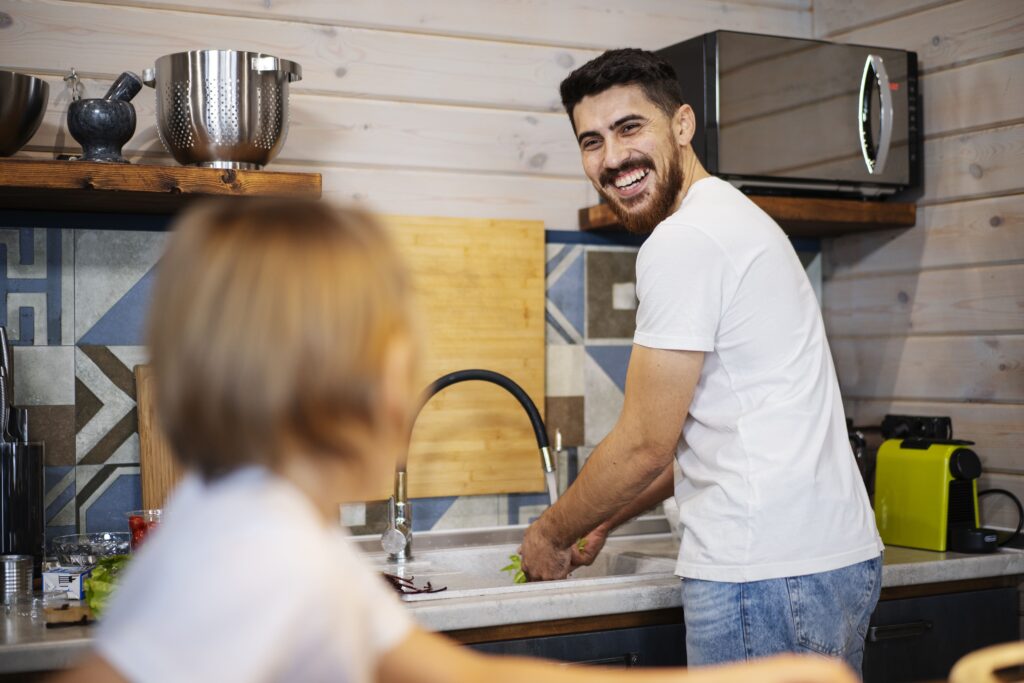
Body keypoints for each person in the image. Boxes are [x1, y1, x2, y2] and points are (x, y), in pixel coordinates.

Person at [50, 199, 856, 683]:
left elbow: (472, 676)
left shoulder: (243, 520)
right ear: (338, 381)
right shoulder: (260, 555)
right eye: (402, 349)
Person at [519, 48, 884, 674]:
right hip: (820, 563)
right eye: (591, 141)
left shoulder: (684, 240)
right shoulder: (732, 219)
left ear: (681, 126)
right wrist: (604, 517)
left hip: (764, 575)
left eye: (630, 128)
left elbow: (645, 444)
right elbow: (708, 433)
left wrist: (551, 534)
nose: (612, 159)